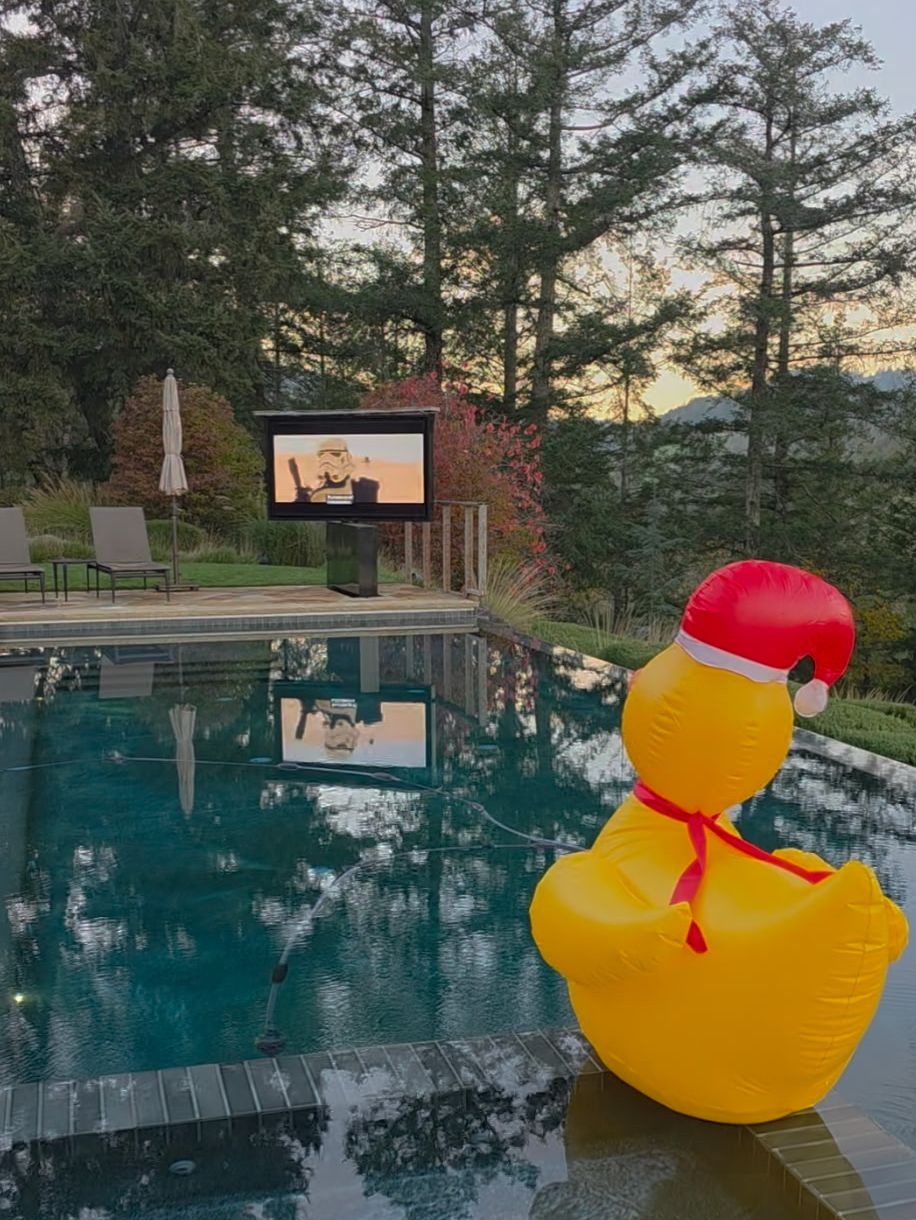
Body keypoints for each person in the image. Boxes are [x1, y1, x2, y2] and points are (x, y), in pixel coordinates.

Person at [288, 437, 379, 504]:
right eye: (322, 455)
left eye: (334, 454)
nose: (327, 461)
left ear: (346, 458)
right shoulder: (320, 491)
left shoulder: (365, 488)